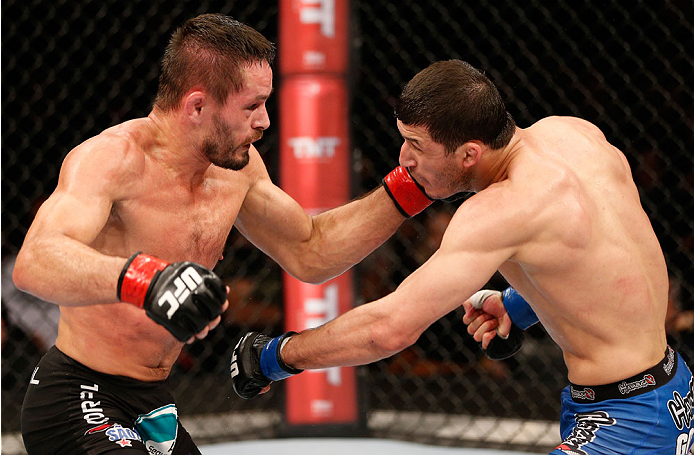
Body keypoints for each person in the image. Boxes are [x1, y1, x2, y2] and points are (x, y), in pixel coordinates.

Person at [12, 14, 432, 455]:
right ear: (196, 107)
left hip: (152, 403)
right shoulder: (112, 159)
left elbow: (312, 251)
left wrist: (414, 187)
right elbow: (35, 261)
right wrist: (147, 280)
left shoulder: (238, 169)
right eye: (252, 106)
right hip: (77, 396)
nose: (265, 121)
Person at [230, 60, 694, 454]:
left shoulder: (498, 211)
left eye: (417, 145)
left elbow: (389, 328)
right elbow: (608, 263)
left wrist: (277, 356)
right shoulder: (575, 135)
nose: (403, 158)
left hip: (629, 422)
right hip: (669, 388)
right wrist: (518, 304)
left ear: (470, 153)